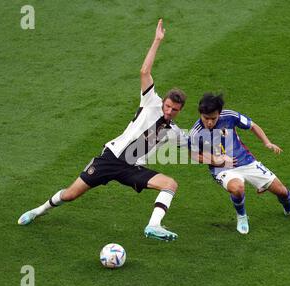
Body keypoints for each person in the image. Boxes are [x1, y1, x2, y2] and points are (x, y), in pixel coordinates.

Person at [18, 19, 187, 242]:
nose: (168, 111)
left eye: (174, 109)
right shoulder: (150, 102)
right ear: (163, 102)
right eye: (167, 106)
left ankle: (153, 226)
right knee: (71, 194)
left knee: (170, 184)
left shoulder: (174, 131)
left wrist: (221, 158)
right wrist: (157, 40)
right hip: (110, 159)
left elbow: (196, 149)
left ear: (179, 110)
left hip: (131, 168)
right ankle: (39, 210)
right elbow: (145, 71)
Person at [189, 93, 290, 234]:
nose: (209, 122)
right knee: (237, 188)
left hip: (246, 161)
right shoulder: (196, 132)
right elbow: (194, 155)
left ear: (219, 114)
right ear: (200, 114)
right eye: (205, 118)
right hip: (222, 169)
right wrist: (216, 160)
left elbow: (252, 126)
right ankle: (242, 216)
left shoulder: (230, 116)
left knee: (281, 190)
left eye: (213, 118)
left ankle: (289, 209)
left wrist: (267, 142)